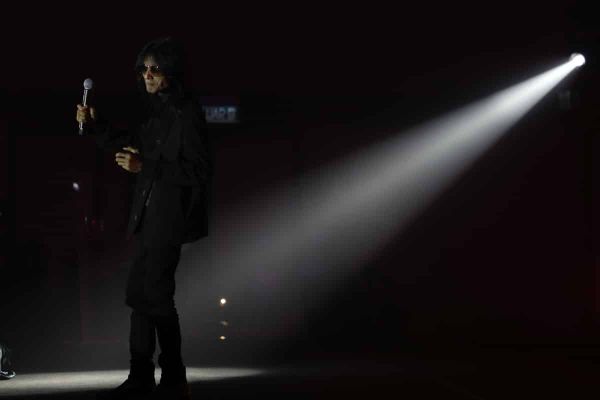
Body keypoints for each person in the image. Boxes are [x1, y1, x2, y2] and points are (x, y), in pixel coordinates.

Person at [76, 37, 209, 400]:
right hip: (149, 218)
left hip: (170, 219)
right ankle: (143, 375)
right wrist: (96, 125)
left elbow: (198, 171)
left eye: (155, 69)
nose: (147, 75)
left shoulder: (187, 113)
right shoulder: (157, 113)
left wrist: (144, 166)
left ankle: (172, 377)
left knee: (155, 295)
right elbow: (130, 145)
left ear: (171, 73)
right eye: (144, 69)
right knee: (140, 294)